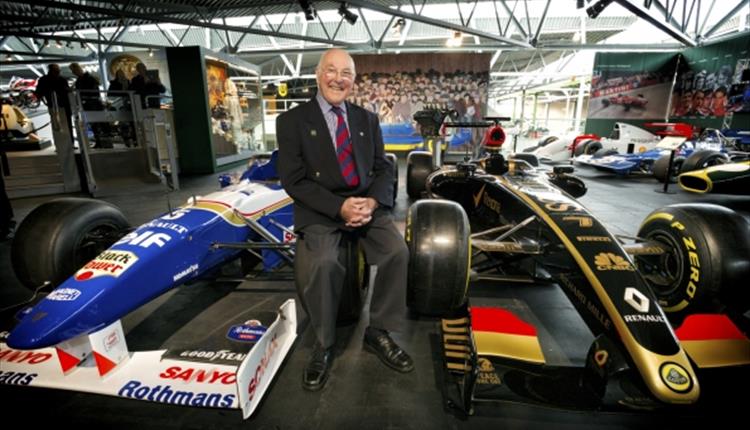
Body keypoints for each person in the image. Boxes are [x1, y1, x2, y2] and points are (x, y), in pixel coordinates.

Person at [277, 48, 413, 392]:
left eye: (347, 73)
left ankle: (378, 330)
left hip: (365, 204)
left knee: (397, 252)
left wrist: (371, 201)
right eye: (332, 71)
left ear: (354, 79)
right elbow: (294, 180)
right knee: (322, 263)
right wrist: (339, 208)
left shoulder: (366, 119)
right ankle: (323, 345)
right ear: (318, 75)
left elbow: (384, 167)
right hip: (322, 208)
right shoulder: (292, 121)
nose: (339, 78)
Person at [70, 62, 106, 148]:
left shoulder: (87, 79)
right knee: (94, 124)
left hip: (92, 105)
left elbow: (93, 92)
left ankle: (101, 142)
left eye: (74, 70)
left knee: (96, 124)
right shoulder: (81, 80)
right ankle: (100, 142)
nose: (73, 72)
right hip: (89, 104)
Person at [34, 63, 73, 135]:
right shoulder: (61, 79)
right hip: (62, 106)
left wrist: (45, 102)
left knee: (57, 126)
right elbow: (67, 92)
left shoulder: (43, 79)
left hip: (54, 106)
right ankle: (70, 143)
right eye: (57, 69)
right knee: (67, 125)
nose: (59, 71)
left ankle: (62, 144)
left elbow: (38, 93)